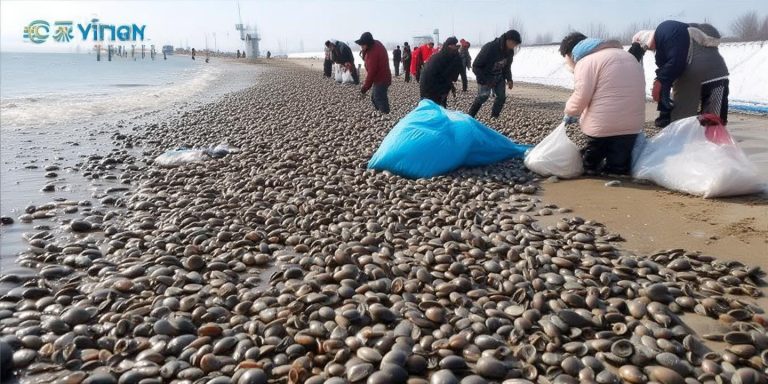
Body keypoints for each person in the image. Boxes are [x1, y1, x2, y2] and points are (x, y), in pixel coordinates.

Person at [559, 32, 645, 176]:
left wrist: (570, 111)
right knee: (619, 160)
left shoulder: (586, 62)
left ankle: (591, 167)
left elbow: (582, 95)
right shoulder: (628, 56)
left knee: (593, 154)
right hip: (632, 125)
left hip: (602, 125)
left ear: (572, 53)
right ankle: (618, 169)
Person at [632, 21, 729, 127]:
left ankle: (688, 136)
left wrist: (660, 82)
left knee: (683, 121)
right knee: (713, 120)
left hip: (695, 75)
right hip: (717, 76)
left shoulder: (665, 30)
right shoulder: (668, 43)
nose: (651, 50)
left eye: (649, 48)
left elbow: (675, 63)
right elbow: (667, 70)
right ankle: (708, 139)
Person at [468, 30, 521, 118]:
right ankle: (470, 116)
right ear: (508, 40)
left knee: (501, 97)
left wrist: (509, 79)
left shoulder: (510, 52)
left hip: (499, 76)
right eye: (514, 43)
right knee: (483, 97)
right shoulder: (490, 47)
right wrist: (486, 81)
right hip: (485, 75)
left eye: (516, 45)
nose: (515, 46)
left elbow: (507, 68)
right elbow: (476, 66)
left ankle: (494, 117)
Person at [419, 37, 463, 107]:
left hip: (429, 87)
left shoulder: (441, 55)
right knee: (434, 109)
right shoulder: (447, 58)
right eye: (455, 47)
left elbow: (448, 76)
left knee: (430, 108)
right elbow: (450, 76)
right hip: (431, 88)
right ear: (450, 46)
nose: (456, 49)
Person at [356, 32, 392, 113]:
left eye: (363, 44)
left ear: (368, 43)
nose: (361, 46)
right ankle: (380, 114)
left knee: (379, 97)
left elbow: (372, 72)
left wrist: (365, 88)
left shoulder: (373, 53)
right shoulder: (375, 44)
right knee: (374, 97)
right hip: (382, 77)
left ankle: (385, 116)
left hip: (381, 78)